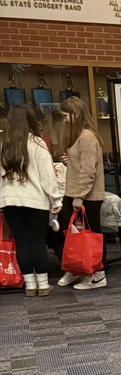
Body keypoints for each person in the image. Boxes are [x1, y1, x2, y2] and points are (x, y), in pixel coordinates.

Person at [0, 104, 62, 296]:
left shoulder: (3, 143)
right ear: (31, 120)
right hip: (36, 201)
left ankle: (29, 286)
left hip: (9, 201)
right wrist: (56, 199)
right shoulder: (37, 143)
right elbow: (47, 176)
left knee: (22, 242)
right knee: (37, 242)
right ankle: (43, 285)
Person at [57, 96, 107, 290]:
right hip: (75, 193)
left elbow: (88, 171)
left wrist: (79, 196)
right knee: (72, 234)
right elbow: (83, 164)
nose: (64, 120)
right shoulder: (79, 136)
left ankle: (99, 274)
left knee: (92, 235)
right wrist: (71, 161)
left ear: (75, 114)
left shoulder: (87, 137)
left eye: (65, 115)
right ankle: (75, 268)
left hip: (87, 196)